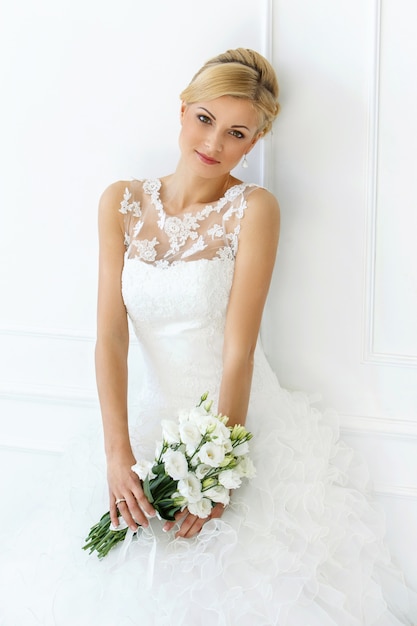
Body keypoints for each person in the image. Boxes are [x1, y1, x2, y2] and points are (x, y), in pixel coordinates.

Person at [0, 48, 415, 626]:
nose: (214, 143)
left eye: (236, 133)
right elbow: (110, 338)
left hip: (233, 422)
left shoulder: (254, 209)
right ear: (182, 110)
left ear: (254, 142)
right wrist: (118, 452)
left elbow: (239, 351)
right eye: (204, 119)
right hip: (148, 418)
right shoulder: (120, 202)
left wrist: (217, 470)